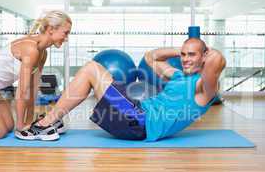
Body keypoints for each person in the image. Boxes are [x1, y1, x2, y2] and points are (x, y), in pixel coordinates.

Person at [16, 38, 226, 142]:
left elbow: (218, 60)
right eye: (184, 55)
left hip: (141, 123)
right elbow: (150, 57)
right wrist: (181, 50)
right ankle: (53, 120)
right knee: (92, 70)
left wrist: (203, 52)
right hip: (136, 113)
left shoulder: (203, 88)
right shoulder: (179, 75)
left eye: (192, 55)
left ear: (204, 55)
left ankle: (45, 124)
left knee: (91, 69)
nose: (186, 59)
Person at [0, 10, 72, 139]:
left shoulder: (42, 53)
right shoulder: (30, 49)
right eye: (65, 33)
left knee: (8, 126)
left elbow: (32, 89)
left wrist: (29, 121)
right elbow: (22, 91)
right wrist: (21, 126)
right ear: (51, 29)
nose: (66, 38)